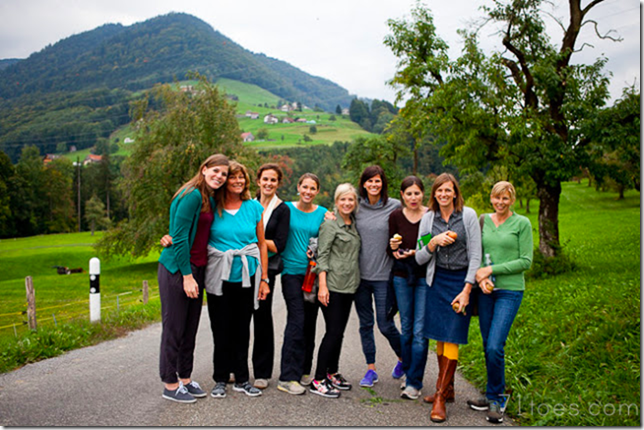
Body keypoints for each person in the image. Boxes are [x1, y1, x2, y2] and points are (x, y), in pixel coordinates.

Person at [157, 154, 229, 403]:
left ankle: (185, 379)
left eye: (224, 174)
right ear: (204, 168)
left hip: (197, 269)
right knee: (174, 328)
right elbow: (178, 237)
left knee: (189, 328)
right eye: (216, 171)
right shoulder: (192, 195)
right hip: (178, 269)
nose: (219, 177)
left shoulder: (209, 197)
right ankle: (170, 384)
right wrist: (187, 276)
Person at [415, 172, 481, 423]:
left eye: (448, 190)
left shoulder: (468, 216)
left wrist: (467, 289)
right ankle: (448, 388)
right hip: (437, 281)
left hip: (460, 282)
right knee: (440, 336)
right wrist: (433, 242)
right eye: (439, 190)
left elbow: (476, 254)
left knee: (452, 335)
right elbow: (420, 256)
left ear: (455, 193)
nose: (443, 194)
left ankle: (440, 396)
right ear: (434, 193)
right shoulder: (428, 218)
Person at [467, 181, 533, 424]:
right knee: (487, 344)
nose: (500, 202)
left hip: (510, 291)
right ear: (491, 198)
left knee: (496, 345)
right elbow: (476, 253)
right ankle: (491, 393)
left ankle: (498, 399)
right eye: (497, 198)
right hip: (486, 291)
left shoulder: (522, 223)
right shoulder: (483, 220)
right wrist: (481, 277)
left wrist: (491, 270)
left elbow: (525, 261)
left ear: (512, 200)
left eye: (505, 198)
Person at [205, 161, 270, 399]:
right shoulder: (211, 206)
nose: (237, 181)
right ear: (224, 181)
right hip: (218, 275)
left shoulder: (254, 207)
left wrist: (264, 279)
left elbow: (261, 244)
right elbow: (195, 231)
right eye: (232, 177)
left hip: (246, 276)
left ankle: (242, 379)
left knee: (242, 329)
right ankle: (221, 378)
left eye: (241, 177)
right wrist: (171, 236)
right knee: (221, 329)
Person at [277, 173, 327, 395]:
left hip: (312, 274)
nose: (308, 191)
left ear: (317, 191)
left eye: (312, 188)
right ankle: (287, 377)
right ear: (298, 187)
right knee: (296, 320)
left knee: (309, 322)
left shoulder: (323, 213)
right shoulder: (286, 208)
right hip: (291, 272)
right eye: (304, 187)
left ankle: (305, 369)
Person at [310, 183, 361, 398]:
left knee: (339, 332)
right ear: (336, 201)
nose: (347, 203)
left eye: (351, 199)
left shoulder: (354, 224)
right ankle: (318, 379)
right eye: (343, 199)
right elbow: (322, 255)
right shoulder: (330, 225)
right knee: (332, 333)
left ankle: (332, 372)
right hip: (332, 286)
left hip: (349, 285)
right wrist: (322, 285)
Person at [353, 165, 403, 388]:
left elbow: (412, 224)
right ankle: (370, 369)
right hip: (360, 278)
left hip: (384, 276)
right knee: (365, 324)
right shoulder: (356, 206)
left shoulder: (394, 206)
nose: (374, 184)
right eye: (370, 181)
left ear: (383, 183)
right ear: (363, 184)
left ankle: (405, 359)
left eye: (378, 181)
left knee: (385, 325)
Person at [388, 176, 429, 400]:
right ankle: (408, 371)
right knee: (406, 328)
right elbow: (390, 248)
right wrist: (394, 247)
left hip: (424, 276)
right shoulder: (396, 216)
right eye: (409, 194)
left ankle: (414, 382)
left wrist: (418, 251)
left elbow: (431, 243)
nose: (413, 198)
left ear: (423, 194)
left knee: (420, 332)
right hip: (402, 276)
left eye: (417, 193)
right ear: (402, 195)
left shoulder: (430, 215)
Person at [251, 164, 291, 390]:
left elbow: (279, 245)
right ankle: (237, 368)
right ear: (258, 181)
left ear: (278, 183)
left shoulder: (282, 209)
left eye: (273, 180)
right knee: (239, 319)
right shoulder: (248, 205)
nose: (268, 183)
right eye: (265, 179)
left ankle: (262, 372)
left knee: (262, 318)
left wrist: (255, 239)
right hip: (242, 268)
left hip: (266, 270)